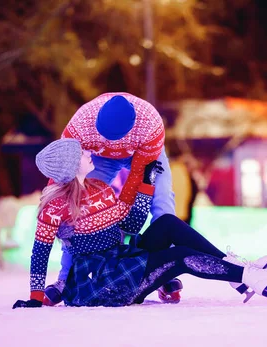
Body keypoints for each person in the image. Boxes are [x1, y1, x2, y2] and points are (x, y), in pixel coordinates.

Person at [12, 139, 267, 309]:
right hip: (100, 282)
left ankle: (239, 273)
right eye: (82, 154)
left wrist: (146, 179)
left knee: (167, 224)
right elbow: (40, 253)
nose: (89, 154)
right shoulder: (55, 205)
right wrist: (36, 297)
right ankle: (252, 278)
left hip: (121, 259)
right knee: (180, 257)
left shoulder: (99, 187)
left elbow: (134, 224)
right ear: (71, 165)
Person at [43, 93, 181, 305]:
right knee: (79, 205)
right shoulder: (80, 126)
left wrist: (126, 214)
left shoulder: (150, 124)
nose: (110, 141)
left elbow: (135, 180)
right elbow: (64, 177)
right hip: (99, 158)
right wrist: (54, 208)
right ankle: (65, 277)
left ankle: (164, 273)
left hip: (141, 153)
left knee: (163, 201)